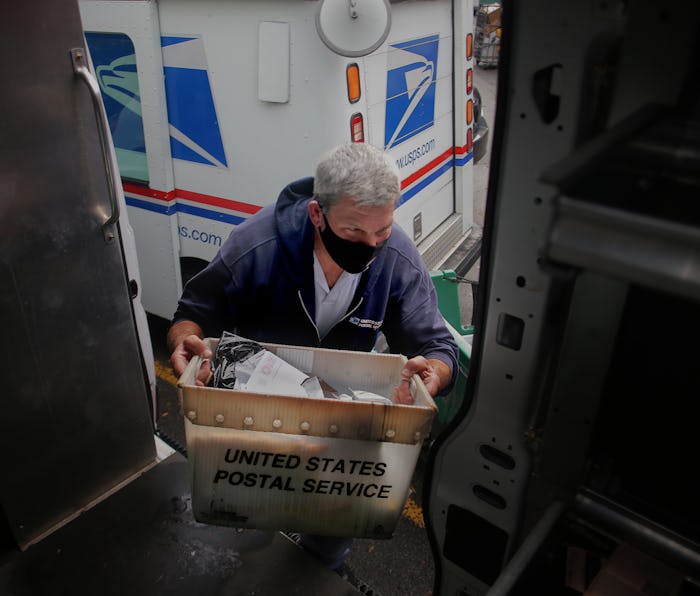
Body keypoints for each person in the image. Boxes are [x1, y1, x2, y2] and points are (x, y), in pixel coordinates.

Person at [167, 142, 459, 568]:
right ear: (317, 214)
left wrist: (433, 372)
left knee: (331, 526)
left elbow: (436, 346)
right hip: (256, 411)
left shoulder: (395, 257)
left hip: (338, 421)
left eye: (382, 230)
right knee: (244, 514)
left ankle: (320, 568)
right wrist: (184, 342)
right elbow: (192, 315)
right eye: (354, 232)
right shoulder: (257, 245)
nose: (371, 245)